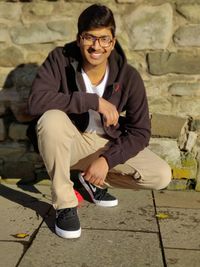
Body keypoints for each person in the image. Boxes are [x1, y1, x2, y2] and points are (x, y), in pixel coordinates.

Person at [27, 4, 172, 239]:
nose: (96, 46)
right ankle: (65, 203)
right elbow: (36, 103)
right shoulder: (59, 59)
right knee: (51, 119)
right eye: (89, 38)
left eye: (104, 39)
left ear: (113, 42)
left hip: (105, 144)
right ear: (79, 39)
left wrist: (107, 160)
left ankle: (89, 180)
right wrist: (92, 101)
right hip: (70, 141)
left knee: (161, 175)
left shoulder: (128, 76)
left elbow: (140, 131)